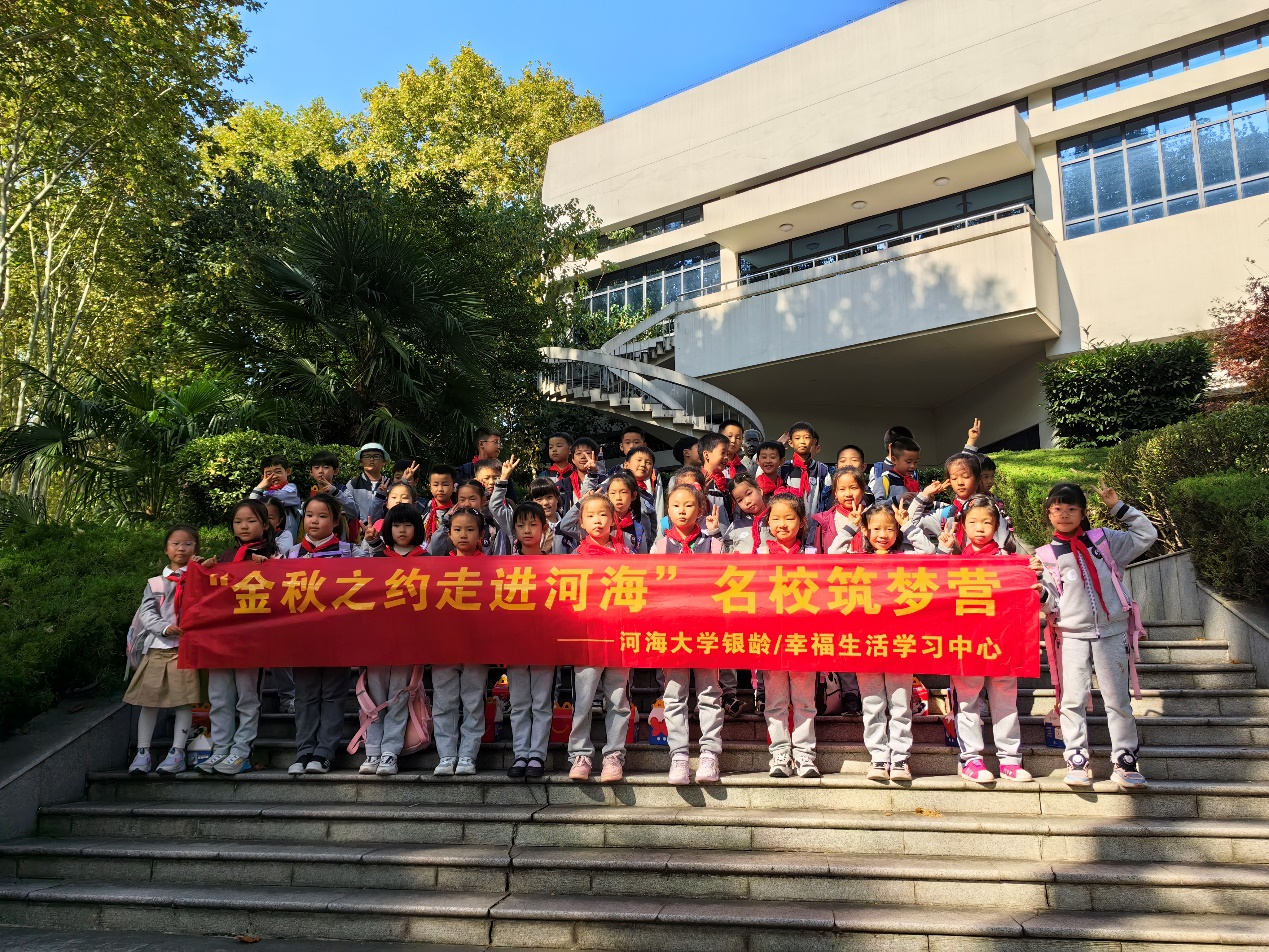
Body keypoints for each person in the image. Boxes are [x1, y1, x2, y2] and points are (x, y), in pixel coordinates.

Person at [1036, 482, 1157, 791]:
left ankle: (1125, 761)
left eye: (1072, 509)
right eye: (1058, 509)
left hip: (1112, 632)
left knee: (1118, 700)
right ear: (1048, 513)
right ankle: (1076, 759)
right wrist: (1039, 592)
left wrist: (1119, 507)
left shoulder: (1104, 540)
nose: (1064, 514)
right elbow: (1050, 603)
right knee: (1072, 699)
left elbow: (1147, 535)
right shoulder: (1045, 556)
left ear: (1082, 512)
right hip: (1072, 636)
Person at [937, 495, 1035, 784]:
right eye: (973, 522)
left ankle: (1010, 760)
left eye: (987, 522)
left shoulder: (1011, 562)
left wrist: (1032, 573)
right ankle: (971, 759)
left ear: (997, 526)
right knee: (967, 702)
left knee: (1005, 700)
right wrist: (944, 551)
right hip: (966, 641)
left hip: (1003, 641)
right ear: (963, 526)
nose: (980, 528)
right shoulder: (954, 561)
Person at [834, 501, 934, 782]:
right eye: (876, 528)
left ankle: (900, 757)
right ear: (865, 531)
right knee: (872, 703)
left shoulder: (905, 558)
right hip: (866, 643)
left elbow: (929, 553)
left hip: (900, 642)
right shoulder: (857, 560)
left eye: (890, 529)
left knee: (900, 703)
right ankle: (879, 757)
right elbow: (832, 555)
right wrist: (850, 527)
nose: (883, 534)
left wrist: (908, 525)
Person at [285, 493, 365, 776]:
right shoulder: (291, 554)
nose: (314, 521)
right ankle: (304, 750)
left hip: (337, 636)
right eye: (309, 515)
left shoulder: (350, 552)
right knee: (305, 695)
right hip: (302, 636)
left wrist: (374, 542)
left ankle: (324, 752)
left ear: (335, 521)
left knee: (333, 694)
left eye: (322, 516)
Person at [651, 484, 724, 785]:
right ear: (667, 511)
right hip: (672, 630)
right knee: (674, 695)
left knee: (709, 694)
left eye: (689, 505)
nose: (682, 511)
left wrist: (718, 535)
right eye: (676, 505)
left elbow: (725, 583)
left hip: (706, 629)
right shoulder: (659, 547)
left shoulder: (713, 544)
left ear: (700, 510)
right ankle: (679, 756)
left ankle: (710, 754)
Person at [198, 500, 277, 776]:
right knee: (219, 696)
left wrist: (270, 568)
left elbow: (284, 589)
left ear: (265, 525)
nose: (244, 526)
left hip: (252, 640)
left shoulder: (274, 555)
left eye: (251, 521)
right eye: (238, 521)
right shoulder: (225, 557)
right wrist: (203, 571)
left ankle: (242, 751)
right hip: (221, 639)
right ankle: (221, 748)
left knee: (247, 697)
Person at [125, 525, 203, 777]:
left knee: (183, 701)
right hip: (158, 648)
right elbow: (147, 612)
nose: (181, 548)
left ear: (196, 548)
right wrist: (165, 628)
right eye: (175, 543)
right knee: (149, 702)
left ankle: (177, 752)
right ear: (166, 549)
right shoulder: (155, 583)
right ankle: (143, 752)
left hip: (186, 649)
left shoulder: (201, 577)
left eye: (188, 543)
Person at [360, 503, 428, 776]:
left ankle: (390, 751)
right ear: (388, 528)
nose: (402, 530)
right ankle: (372, 750)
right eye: (397, 525)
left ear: (417, 529)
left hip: (407, 642)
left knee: (399, 697)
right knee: (374, 697)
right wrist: (371, 544)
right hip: (377, 640)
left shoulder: (427, 559)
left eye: (408, 525)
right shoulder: (378, 558)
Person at [567, 495, 632, 783]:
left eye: (603, 514)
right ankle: (580, 754)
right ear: (581, 522)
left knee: (618, 700)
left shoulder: (627, 555)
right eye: (590, 515)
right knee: (583, 701)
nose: (597, 520)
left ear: (613, 520)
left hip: (618, 637)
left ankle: (614, 755)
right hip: (587, 640)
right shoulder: (575, 558)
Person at [756, 491, 820, 778]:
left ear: (802, 522)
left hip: (803, 639)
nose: (782, 524)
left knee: (805, 701)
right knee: (775, 701)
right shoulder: (759, 556)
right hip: (771, 639)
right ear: (768, 521)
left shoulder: (812, 555)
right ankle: (780, 753)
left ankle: (805, 754)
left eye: (789, 518)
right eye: (776, 518)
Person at [431, 507, 491, 777]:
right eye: (457, 529)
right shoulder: (437, 567)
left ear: (481, 535)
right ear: (449, 534)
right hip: (444, 646)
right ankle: (446, 755)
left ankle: (468, 755)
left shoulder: (491, 567)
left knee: (473, 702)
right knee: (444, 702)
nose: (463, 534)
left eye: (470, 529)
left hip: (476, 647)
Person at [504, 501, 560, 780]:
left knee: (540, 702)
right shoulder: (504, 567)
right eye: (521, 525)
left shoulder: (555, 566)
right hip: (514, 644)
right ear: (514, 529)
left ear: (545, 527)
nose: (527, 530)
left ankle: (537, 754)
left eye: (533, 524)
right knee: (519, 703)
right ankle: (520, 754)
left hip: (543, 644)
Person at [908, 453, 1011, 551]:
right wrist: (924, 495)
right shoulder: (945, 514)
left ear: (978, 479)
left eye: (966, 477)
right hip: (956, 564)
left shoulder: (991, 509)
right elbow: (910, 523)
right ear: (949, 481)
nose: (960, 482)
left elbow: (1003, 545)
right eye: (954, 478)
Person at [777, 422, 831, 516]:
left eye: (806, 437)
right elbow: (761, 465)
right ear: (790, 443)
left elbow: (827, 500)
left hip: (814, 523)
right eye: (797, 438)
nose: (802, 441)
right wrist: (777, 445)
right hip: (788, 520)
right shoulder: (783, 468)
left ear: (813, 441)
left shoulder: (822, 469)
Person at [812, 466, 867, 554]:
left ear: (863, 490)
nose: (848, 494)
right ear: (835, 493)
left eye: (853, 488)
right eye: (842, 489)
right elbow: (818, 553)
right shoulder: (825, 521)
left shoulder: (873, 516)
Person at [248, 455, 302, 538]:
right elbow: (251, 504)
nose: (274, 476)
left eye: (278, 472)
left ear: (288, 472)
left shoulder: (291, 489)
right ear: (263, 478)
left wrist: (260, 493)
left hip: (287, 537)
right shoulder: (263, 492)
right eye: (269, 474)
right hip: (267, 537)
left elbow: (279, 497)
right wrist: (259, 487)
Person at [349, 443, 391, 534]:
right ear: (361, 462)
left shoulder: (390, 484)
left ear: (383, 461)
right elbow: (349, 509)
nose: (371, 459)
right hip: (359, 534)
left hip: (386, 532)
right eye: (367, 457)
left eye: (376, 456)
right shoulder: (353, 483)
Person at [697, 432, 734, 533]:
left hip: (725, 534)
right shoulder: (696, 480)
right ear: (706, 455)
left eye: (727, 454)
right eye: (722, 453)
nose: (726, 457)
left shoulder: (727, 482)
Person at [869, 436, 921, 503]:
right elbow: (876, 505)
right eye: (908, 462)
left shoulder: (913, 482)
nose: (913, 466)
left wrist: (928, 500)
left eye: (916, 462)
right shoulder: (883, 481)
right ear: (894, 460)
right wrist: (898, 499)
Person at [423, 465, 457, 543]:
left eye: (445, 485)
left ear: (453, 487)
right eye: (436, 485)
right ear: (430, 487)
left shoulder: (456, 512)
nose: (440, 489)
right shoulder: (423, 507)